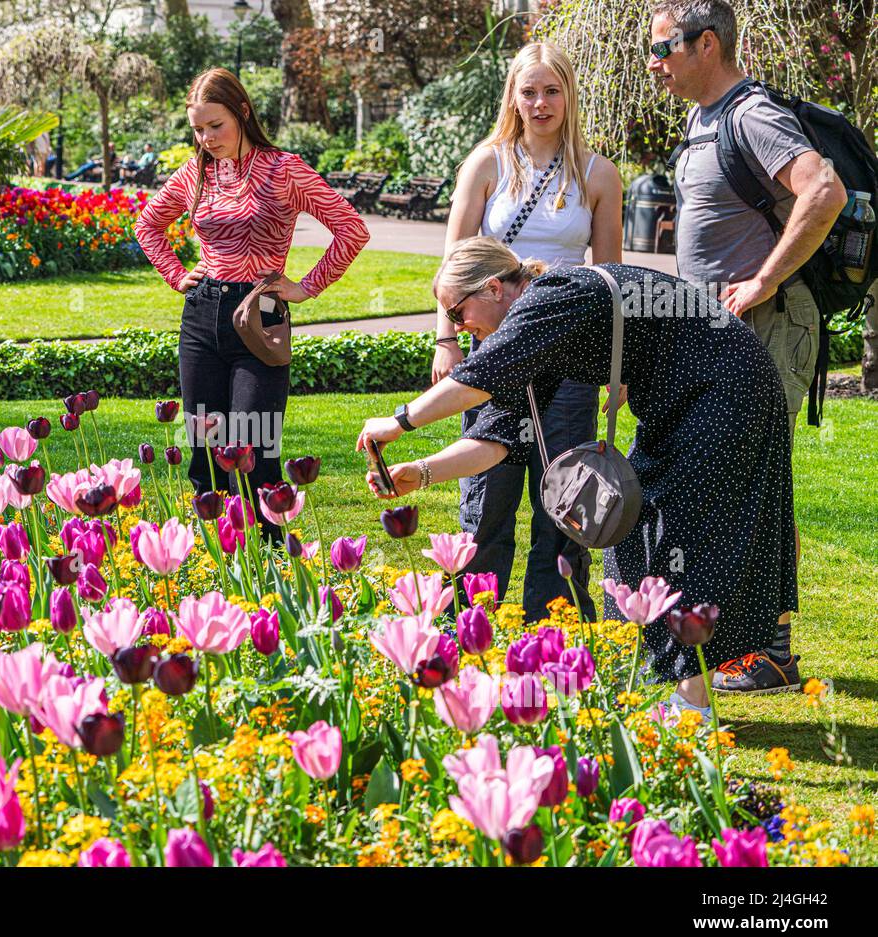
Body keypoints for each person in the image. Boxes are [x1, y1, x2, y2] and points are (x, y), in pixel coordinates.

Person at [358, 237, 797, 719]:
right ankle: (671, 684)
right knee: (636, 538)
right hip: (693, 395)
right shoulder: (539, 331)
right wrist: (419, 474)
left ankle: (692, 701)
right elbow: (500, 438)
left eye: (458, 314)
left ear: (492, 289)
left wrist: (399, 422)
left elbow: (475, 379)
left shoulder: (552, 296)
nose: (461, 331)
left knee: (681, 535)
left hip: (725, 387)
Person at [649, 0, 847, 692]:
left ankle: (772, 650)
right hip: (721, 334)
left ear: (707, 44)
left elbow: (824, 188)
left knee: (755, 481)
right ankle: (749, 641)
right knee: (737, 480)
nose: (654, 62)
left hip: (768, 326)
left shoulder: (750, 114)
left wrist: (764, 278)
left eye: (664, 47)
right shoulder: (703, 121)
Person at [136, 67, 370, 541]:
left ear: (243, 112)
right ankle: (212, 559)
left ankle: (268, 561)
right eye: (198, 129)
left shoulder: (285, 170)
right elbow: (147, 226)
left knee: (253, 447)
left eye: (215, 126)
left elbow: (351, 229)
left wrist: (307, 286)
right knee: (204, 446)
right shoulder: (196, 172)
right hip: (202, 316)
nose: (206, 138)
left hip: (259, 317)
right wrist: (179, 275)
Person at [434, 42, 623, 622]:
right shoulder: (487, 164)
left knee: (563, 500)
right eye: (529, 91)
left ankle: (554, 627)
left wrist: (616, 373)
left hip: (569, 359)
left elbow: (610, 282)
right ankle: (473, 622)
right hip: (493, 350)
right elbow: (453, 264)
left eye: (552, 90)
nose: (540, 103)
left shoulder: (598, 174)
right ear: (512, 97)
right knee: (487, 497)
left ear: (569, 95)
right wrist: (446, 339)